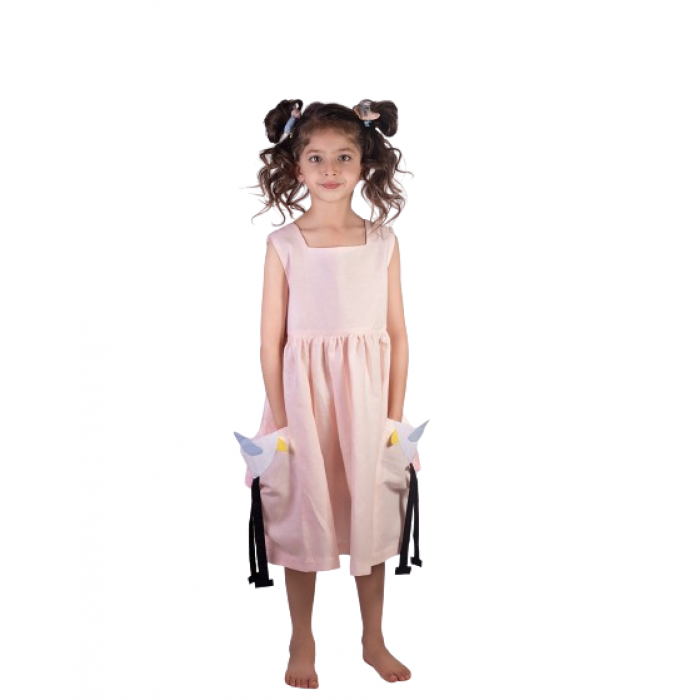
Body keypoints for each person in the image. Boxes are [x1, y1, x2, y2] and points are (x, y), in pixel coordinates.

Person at [235, 99, 429, 689]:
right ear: (296, 165)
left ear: (365, 163)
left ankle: (373, 637)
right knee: (305, 514)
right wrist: (283, 420)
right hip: (304, 403)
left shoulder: (383, 240)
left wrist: (393, 414)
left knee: (370, 513)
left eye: (344, 157)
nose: (330, 169)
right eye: (316, 157)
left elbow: (397, 333)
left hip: (367, 403)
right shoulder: (285, 244)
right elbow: (271, 341)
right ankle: (302, 637)